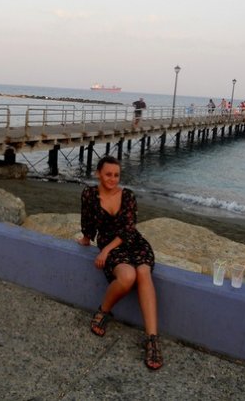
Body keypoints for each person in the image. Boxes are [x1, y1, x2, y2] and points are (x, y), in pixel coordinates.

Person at [77, 156, 163, 370]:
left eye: (116, 175)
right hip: (111, 245)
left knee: (143, 273)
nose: (113, 179)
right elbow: (87, 220)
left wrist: (105, 250)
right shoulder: (89, 194)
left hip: (134, 243)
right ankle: (103, 311)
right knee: (127, 277)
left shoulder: (127, 196)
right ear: (98, 173)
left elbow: (129, 229)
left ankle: (152, 340)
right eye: (108, 174)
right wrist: (87, 238)